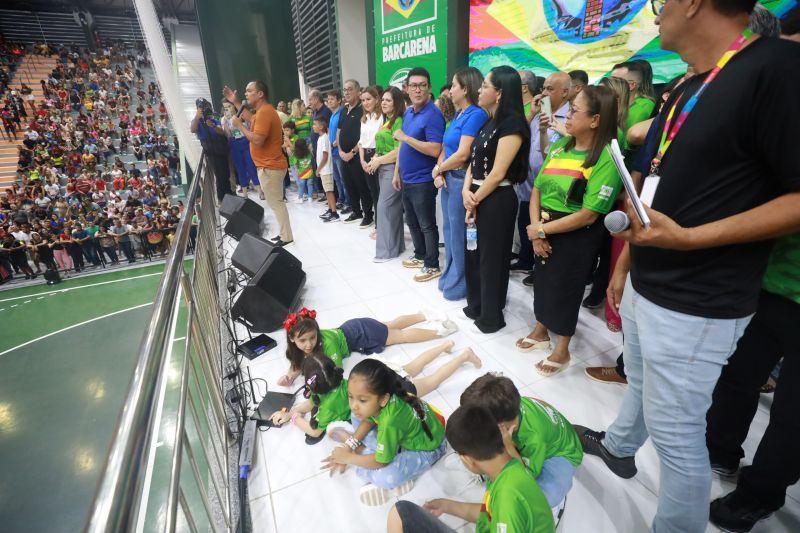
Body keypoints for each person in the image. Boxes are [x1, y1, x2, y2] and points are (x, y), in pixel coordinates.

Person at [574, 1, 800, 531]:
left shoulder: (776, 71)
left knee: (677, 434)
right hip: (650, 279)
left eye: (661, 3)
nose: (656, 13)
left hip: (701, 299)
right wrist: (627, 261)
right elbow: (657, 184)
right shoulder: (686, 86)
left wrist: (692, 238)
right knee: (641, 381)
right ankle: (620, 447)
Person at [515, 86, 621, 375]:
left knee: (566, 288)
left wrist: (540, 230)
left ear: (596, 120)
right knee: (544, 280)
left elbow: (588, 215)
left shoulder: (606, 158)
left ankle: (562, 350)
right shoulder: (562, 145)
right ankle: (540, 331)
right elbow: (537, 187)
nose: (567, 115)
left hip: (575, 234)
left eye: (575, 110)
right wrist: (537, 228)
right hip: (544, 224)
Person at [704, 234, 799, 532]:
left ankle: (760, 495)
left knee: (792, 414)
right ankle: (721, 449)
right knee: (737, 375)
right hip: (772, 281)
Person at [387, 404, 555, 533]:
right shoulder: (508, 469)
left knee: (400, 514)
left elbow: (503, 511)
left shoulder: (507, 497)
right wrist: (447, 506)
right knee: (401, 512)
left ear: (466, 460)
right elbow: (490, 514)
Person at [271, 340, 481, 441]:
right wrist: (293, 410)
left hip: (396, 391)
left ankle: (463, 356)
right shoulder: (341, 382)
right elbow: (313, 401)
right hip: (382, 378)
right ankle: (445, 346)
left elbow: (315, 430)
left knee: (432, 381)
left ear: (311, 383)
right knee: (415, 365)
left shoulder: (329, 405)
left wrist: (295, 419)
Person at [320, 358, 448, 506]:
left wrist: (348, 458)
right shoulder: (386, 397)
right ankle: (365, 447)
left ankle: (365, 453)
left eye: (362, 400)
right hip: (404, 435)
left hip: (430, 449)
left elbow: (381, 462)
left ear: (383, 399)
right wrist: (349, 444)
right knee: (357, 415)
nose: (354, 405)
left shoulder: (390, 421)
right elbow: (370, 419)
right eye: (351, 397)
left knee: (388, 474)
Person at [463, 66, 530, 334]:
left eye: (485, 86)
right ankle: (476, 305)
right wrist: (465, 191)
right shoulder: (488, 120)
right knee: (474, 254)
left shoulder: (512, 123)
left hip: (496, 199)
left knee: (492, 259)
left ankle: (491, 315)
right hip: (477, 196)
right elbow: (473, 162)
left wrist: (474, 200)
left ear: (500, 92)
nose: (480, 90)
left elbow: (498, 172)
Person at [460, 373, 583, 511]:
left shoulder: (533, 437)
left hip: (561, 453)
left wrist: (509, 449)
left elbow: (527, 475)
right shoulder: (507, 405)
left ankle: (553, 511)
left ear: (501, 424)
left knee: (541, 498)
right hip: (537, 441)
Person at [277, 307, 458, 386]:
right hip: (354, 327)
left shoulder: (328, 343)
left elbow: (336, 371)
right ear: (292, 339)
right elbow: (298, 362)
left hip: (361, 334)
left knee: (398, 336)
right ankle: (422, 315)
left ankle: (441, 332)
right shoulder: (300, 348)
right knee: (391, 326)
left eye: (312, 338)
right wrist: (288, 376)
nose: (309, 344)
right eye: (303, 341)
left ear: (317, 332)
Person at [433, 67, 486, 300]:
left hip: (460, 181)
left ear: (465, 89)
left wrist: (438, 168)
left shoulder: (476, 114)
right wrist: (439, 170)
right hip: (448, 179)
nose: (450, 90)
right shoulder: (458, 114)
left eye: (454, 85)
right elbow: (447, 147)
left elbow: (464, 154)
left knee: (460, 235)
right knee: (450, 232)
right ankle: (450, 276)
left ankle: (460, 283)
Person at [514, 72, 571, 285]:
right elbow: (520, 134)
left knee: (544, 229)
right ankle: (526, 261)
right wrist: (533, 112)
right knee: (526, 222)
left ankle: (540, 269)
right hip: (528, 181)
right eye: (544, 88)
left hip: (551, 186)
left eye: (550, 89)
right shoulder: (540, 112)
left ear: (565, 92)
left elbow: (551, 151)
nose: (544, 92)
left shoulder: (570, 118)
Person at [224, 81, 294, 247]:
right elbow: (252, 118)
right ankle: (285, 233)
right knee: (276, 202)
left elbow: (257, 139)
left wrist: (239, 125)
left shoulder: (265, 113)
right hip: (269, 165)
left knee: (276, 203)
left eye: (249, 91)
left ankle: (287, 236)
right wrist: (235, 101)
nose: (246, 94)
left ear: (260, 93)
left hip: (270, 166)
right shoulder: (263, 112)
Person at [394, 67, 446, 282]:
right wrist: (397, 172)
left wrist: (406, 138)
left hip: (424, 179)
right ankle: (420, 255)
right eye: (414, 86)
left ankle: (432, 264)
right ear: (406, 89)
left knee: (426, 224)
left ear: (429, 88)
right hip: (407, 177)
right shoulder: (408, 112)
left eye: (422, 85)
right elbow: (402, 149)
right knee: (412, 222)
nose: (418, 90)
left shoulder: (433, 114)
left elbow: (435, 149)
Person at [367, 86, 406, 261]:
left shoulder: (399, 121)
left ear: (396, 103)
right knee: (390, 209)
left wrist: (379, 161)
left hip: (393, 169)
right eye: (382, 100)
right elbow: (383, 146)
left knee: (384, 208)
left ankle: (386, 251)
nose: (383, 102)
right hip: (383, 168)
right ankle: (396, 247)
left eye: (388, 100)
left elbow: (399, 150)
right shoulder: (386, 121)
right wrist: (375, 158)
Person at [338, 79, 374, 227]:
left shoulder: (362, 111)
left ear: (358, 92)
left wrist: (352, 153)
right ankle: (356, 211)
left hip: (356, 155)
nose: (346, 92)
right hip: (343, 156)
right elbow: (339, 132)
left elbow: (363, 137)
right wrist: (340, 150)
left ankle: (368, 214)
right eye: (345, 89)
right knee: (349, 185)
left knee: (361, 185)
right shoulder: (343, 111)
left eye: (350, 89)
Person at [190, 98, 232, 201]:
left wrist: (213, 126)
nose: (206, 109)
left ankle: (229, 193)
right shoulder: (197, 121)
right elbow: (193, 129)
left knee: (226, 173)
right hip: (211, 152)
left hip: (221, 149)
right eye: (203, 107)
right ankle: (222, 197)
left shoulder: (214, 120)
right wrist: (197, 116)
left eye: (207, 106)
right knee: (219, 174)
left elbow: (222, 133)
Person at [221, 100, 261, 198]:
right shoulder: (224, 119)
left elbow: (251, 128)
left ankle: (260, 191)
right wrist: (225, 123)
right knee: (240, 169)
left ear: (233, 106)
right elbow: (228, 135)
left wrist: (240, 121)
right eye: (225, 107)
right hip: (234, 144)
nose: (228, 109)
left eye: (229, 106)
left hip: (245, 142)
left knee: (251, 166)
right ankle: (245, 194)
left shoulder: (242, 114)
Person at [357, 85, 383, 229]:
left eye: (368, 99)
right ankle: (378, 225)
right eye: (363, 100)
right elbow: (361, 142)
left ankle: (380, 226)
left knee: (380, 193)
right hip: (365, 157)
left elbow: (380, 140)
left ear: (376, 99)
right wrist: (362, 161)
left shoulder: (381, 117)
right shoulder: (364, 118)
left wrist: (375, 159)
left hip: (377, 156)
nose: (366, 103)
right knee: (373, 192)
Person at [326, 90, 351, 213]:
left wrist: (335, 143)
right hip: (333, 152)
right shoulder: (332, 114)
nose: (329, 101)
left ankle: (348, 202)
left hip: (339, 151)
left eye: (332, 99)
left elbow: (342, 132)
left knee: (344, 178)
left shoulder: (342, 113)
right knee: (337, 178)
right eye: (328, 99)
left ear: (339, 100)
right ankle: (341, 199)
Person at [314, 116, 339, 222]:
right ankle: (330, 209)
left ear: (321, 127)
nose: (313, 126)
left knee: (329, 191)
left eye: (315, 124)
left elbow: (325, 156)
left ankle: (334, 213)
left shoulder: (324, 138)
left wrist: (318, 169)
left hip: (326, 170)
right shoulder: (321, 138)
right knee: (326, 191)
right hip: (323, 170)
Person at [290, 138, 314, 202]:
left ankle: (300, 198)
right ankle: (310, 198)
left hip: (302, 172)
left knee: (301, 185)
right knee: (310, 184)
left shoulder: (296, 154)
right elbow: (312, 159)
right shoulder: (309, 153)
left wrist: (297, 170)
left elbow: (295, 164)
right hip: (310, 171)